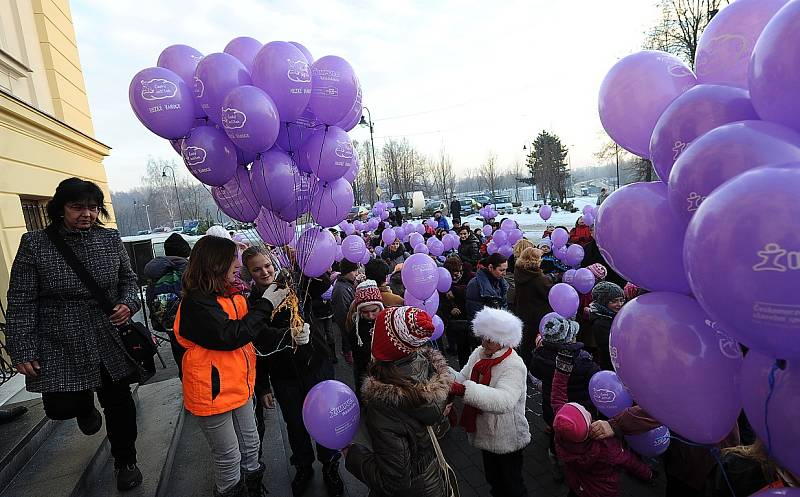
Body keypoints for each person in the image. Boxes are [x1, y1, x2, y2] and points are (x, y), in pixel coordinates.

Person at [6, 178, 144, 491]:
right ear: (60, 208)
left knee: (119, 401)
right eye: (77, 207)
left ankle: (126, 461)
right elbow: (21, 298)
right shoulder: (36, 243)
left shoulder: (109, 239)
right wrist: (22, 347)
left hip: (106, 333)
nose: (87, 214)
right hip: (60, 338)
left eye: (93, 208)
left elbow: (129, 280)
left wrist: (127, 303)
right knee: (60, 407)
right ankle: (83, 408)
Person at [174, 235, 291, 497]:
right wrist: (266, 304)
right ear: (216, 263)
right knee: (228, 455)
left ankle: (253, 486)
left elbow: (252, 332)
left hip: (240, 383)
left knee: (251, 445)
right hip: (212, 391)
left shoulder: (233, 293)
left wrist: (289, 335)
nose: (237, 266)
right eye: (233, 261)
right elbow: (231, 335)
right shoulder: (197, 302)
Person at [241, 246, 343, 497]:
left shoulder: (293, 284)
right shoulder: (252, 303)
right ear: (249, 274)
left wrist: (304, 261)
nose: (264, 272)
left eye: (267, 265)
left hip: (315, 366)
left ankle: (330, 464)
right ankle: (303, 465)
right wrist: (263, 386)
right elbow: (258, 346)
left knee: (324, 418)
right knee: (295, 423)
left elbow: (320, 283)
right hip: (283, 373)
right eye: (257, 269)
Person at [345, 306, 453, 497]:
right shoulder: (427, 366)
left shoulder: (383, 402)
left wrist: (353, 456)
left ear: (383, 344)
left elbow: (394, 481)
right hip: (431, 479)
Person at [551, 345, 654, 497]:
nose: (585, 409)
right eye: (585, 411)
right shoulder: (605, 447)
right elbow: (629, 461)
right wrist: (648, 474)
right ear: (589, 423)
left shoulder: (561, 431)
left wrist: (562, 366)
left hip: (576, 483)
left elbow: (557, 395)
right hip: (603, 491)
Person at [449, 308, 531, 497]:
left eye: (491, 339)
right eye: (484, 337)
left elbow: (504, 401)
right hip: (486, 432)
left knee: (512, 487)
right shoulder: (479, 353)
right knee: (494, 481)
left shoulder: (514, 365)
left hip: (506, 437)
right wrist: (443, 372)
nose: (484, 342)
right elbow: (463, 377)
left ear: (504, 340)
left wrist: (463, 390)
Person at [531, 314, 600, 482]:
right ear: (569, 340)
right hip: (578, 410)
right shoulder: (582, 361)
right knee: (577, 439)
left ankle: (554, 455)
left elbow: (535, 373)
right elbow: (597, 379)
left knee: (557, 432)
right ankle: (575, 465)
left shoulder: (538, 355)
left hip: (552, 406)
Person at [144, 232, 191, 376]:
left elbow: (149, 297)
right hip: (190, 324)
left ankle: (186, 385)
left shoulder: (157, 273)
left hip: (169, 324)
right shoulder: (186, 268)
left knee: (180, 359)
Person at [513, 248, 555, 366]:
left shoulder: (519, 272)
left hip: (523, 312)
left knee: (525, 344)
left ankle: (523, 367)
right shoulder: (537, 278)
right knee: (535, 345)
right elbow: (549, 294)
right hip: (538, 315)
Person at [345, 280, 385, 400]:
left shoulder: (387, 321)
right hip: (365, 371)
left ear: (380, 307)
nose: (371, 316)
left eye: (374, 311)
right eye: (365, 312)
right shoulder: (355, 328)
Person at [438, 256, 472, 365]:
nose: (457, 275)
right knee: (461, 348)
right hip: (454, 320)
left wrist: (455, 290)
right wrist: (450, 308)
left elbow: (471, 290)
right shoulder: (443, 280)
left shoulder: (470, 276)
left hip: (468, 315)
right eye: (454, 272)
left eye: (459, 271)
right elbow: (441, 300)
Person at [588, 282, 625, 371]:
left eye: (621, 300)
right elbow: (608, 349)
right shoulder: (600, 322)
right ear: (603, 302)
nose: (619, 304)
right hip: (611, 365)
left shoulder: (615, 314)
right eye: (614, 301)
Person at [332, 259, 359, 366]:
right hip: (349, 329)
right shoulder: (340, 290)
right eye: (354, 271)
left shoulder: (348, 283)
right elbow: (342, 316)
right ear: (348, 272)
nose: (356, 274)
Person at [465, 253, 509, 319]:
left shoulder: (502, 283)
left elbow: (504, 306)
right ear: (490, 267)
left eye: (506, 270)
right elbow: (475, 313)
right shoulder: (475, 284)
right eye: (501, 270)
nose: (504, 274)